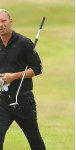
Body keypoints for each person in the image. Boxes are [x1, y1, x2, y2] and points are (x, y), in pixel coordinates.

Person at [0, 9, 46, 150]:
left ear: (10, 22)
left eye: (3, 21)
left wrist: (13, 76)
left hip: (23, 100)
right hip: (2, 100)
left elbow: (38, 68)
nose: (1, 24)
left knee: (35, 141)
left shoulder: (24, 42)